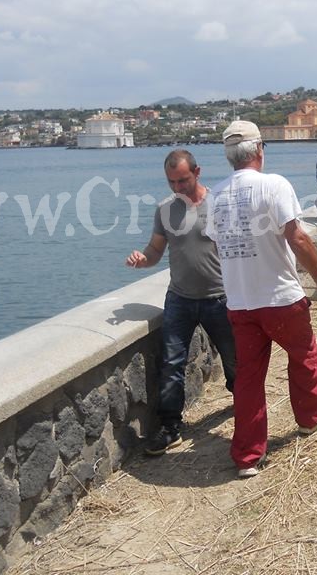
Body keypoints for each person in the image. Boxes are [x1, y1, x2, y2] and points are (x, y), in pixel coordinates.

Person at [206, 120, 317, 478]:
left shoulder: (215, 195)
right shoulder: (274, 185)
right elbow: (298, 238)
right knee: (303, 356)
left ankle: (248, 456)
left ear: (229, 156)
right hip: (280, 297)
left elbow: (218, 245)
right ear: (260, 150)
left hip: (240, 303)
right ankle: (309, 420)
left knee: (248, 377)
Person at [125, 149, 237, 455]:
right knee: (172, 364)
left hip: (220, 298)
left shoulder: (220, 205)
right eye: (171, 182)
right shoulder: (164, 210)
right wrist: (141, 259)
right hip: (179, 299)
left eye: (183, 180)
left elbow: (238, 249)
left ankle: (244, 405)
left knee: (234, 361)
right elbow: (155, 251)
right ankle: (170, 428)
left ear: (198, 172)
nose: (177, 188)